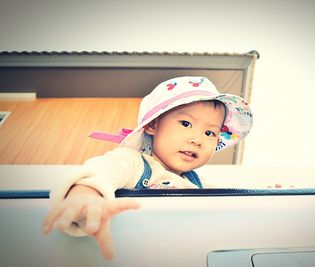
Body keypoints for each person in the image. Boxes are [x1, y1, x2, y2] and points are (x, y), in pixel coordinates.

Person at [42, 76, 253, 259]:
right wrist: (87, 195)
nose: (198, 140)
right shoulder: (134, 162)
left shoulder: (198, 182)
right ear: (153, 125)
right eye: (186, 124)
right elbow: (104, 170)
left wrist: (271, 193)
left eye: (210, 133)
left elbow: (226, 204)